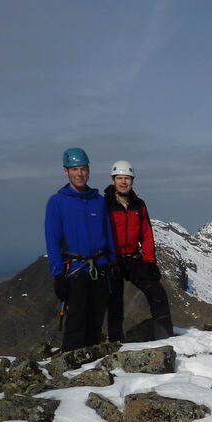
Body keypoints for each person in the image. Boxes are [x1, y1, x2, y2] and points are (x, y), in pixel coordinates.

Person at [45, 147, 116, 352]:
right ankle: (72, 374)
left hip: (100, 269)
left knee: (95, 324)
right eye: (74, 169)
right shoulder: (57, 202)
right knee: (76, 325)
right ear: (66, 171)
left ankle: (92, 372)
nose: (79, 174)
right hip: (75, 271)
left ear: (89, 170)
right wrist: (58, 274)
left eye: (83, 169)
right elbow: (53, 240)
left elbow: (107, 233)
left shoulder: (98, 201)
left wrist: (112, 262)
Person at [104, 160, 174, 342]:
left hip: (134, 259)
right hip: (114, 261)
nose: (123, 182)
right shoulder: (105, 204)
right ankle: (115, 343)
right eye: (119, 178)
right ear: (113, 181)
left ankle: (165, 338)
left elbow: (146, 234)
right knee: (115, 304)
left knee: (158, 294)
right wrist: (108, 259)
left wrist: (150, 262)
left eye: (127, 178)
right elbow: (101, 234)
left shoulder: (139, 205)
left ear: (132, 181)